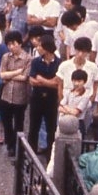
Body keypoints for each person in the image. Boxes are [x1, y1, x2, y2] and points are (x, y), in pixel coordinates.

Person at [27, 31, 61, 160]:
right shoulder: (36, 62)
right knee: (33, 128)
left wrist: (42, 80)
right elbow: (32, 80)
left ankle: (49, 156)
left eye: (40, 45)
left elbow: (57, 84)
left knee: (51, 129)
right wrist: (48, 82)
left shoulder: (59, 63)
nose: (38, 47)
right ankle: (31, 155)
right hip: (36, 98)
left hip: (51, 100)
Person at [0, 29, 31, 156]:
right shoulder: (6, 57)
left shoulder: (28, 58)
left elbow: (24, 78)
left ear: (20, 43)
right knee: (6, 122)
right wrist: (17, 72)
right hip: (6, 95)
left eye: (13, 44)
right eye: (9, 44)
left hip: (20, 97)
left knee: (19, 123)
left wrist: (8, 76)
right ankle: (10, 145)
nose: (11, 47)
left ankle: (18, 146)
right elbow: (2, 74)